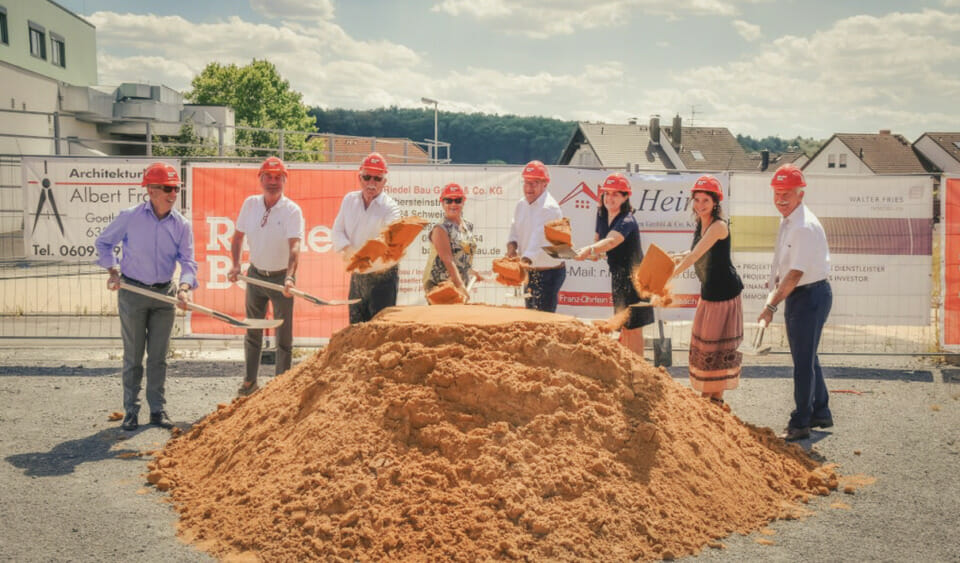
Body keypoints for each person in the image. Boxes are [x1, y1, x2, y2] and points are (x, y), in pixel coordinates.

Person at [95, 161, 197, 431]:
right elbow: (104, 244)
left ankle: (157, 410)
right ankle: (131, 410)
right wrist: (113, 270)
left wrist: (185, 288)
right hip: (133, 293)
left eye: (176, 188)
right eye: (168, 188)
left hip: (165, 295)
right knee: (133, 355)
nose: (173, 194)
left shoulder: (181, 225)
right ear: (151, 190)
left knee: (159, 357)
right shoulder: (130, 217)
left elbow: (188, 261)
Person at [758, 164, 832, 441]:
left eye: (786, 193)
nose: (780, 199)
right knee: (807, 355)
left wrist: (771, 307)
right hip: (804, 294)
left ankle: (801, 422)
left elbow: (795, 274)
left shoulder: (802, 226)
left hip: (809, 295)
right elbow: (786, 267)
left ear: (800, 194)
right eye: (777, 193)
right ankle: (820, 411)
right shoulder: (790, 218)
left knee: (802, 362)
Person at [227, 157, 304, 397]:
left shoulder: (292, 210)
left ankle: (280, 387)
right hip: (256, 276)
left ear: (284, 180)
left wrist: (290, 278)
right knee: (253, 331)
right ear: (260, 179)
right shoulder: (250, 204)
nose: (273, 182)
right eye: (268, 177)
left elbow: (294, 247)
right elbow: (238, 237)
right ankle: (250, 383)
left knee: (283, 336)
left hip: (282, 279)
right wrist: (236, 265)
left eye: (277, 177)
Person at [670, 175, 744, 406]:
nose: (700, 205)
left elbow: (694, 256)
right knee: (706, 348)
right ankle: (710, 398)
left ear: (715, 203)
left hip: (724, 295)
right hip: (709, 293)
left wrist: (667, 276)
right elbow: (691, 252)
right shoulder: (700, 223)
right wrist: (670, 258)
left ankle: (716, 399)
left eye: (706, 200)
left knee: (719, 348)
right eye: (697, 200)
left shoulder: (719, 226)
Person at [574, 172, 653, 355]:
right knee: (623, 326)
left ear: (625, 197)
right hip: (618, 277)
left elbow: (610, 242)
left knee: (633, 328)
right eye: (607, 193)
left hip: (636, 280)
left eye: (616, 194)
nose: (610, 198)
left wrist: (589, 250)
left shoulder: (627, 220)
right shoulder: (602, 214)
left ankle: (638, 371)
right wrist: (592, 254)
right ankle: (628, 371)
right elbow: (599, 243)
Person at [332, 152, 402, 323]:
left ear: (384, 182)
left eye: (377, 179)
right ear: (359, 177)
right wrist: (348, 250)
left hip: (382, 277)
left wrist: (364, 256)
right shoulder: (349, 200)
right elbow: (337, 230)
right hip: (358, 275)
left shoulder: (391, 208)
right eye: (367, 177)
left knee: (379, 330)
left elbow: (387, 239)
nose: (371, 183)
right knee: (356, 327)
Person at [506, 160, 566, 312]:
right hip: (531, 270)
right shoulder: (521, 204)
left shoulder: (549, 208)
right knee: (531, 315)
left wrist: (519, 263)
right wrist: (511, 249)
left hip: (549, 273)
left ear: (545, 184)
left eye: (534, 183)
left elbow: (537, 241)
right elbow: (514, 231)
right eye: (526, 183)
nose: (529, 188)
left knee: (543, 321)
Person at [423, 183, 480, 301]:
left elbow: (460, 256)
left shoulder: (467, 226)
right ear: (442, 203)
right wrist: (460, 286)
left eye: (457, 200)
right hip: (440, 285)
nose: (453, 204)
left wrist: (472, 272)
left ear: (463, 202)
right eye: (448, 200)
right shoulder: (440, 228)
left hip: (459, 281)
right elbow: (448, 260)